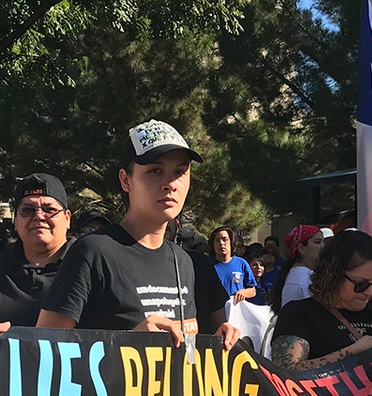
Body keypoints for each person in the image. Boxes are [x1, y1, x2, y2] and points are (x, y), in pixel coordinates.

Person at [37, 119, 239, 350]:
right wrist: (129, 344)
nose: (170, 183)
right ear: (125, 180)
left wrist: (217, 343)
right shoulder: (93, 252)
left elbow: (188, 353)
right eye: (155, 171)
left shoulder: (186, 262)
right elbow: (43, 351)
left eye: (180, 172)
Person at [271, 230, 372, 370]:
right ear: (333, 276)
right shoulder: (298, 313)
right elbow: (286, 373)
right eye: (360, 284)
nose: (369, 292)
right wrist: (352, 352)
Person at [0, 173, 74, 334]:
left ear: (67, 219)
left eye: (49, 209)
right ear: (15, 221)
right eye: (27, 210)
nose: (39, 216)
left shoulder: (88, 267)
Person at [270, 224, 324, 313]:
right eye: (317, 242)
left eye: (323, 242)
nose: (323, 246)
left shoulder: (301, 274)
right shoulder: (302, 278)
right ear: (301, 248)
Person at [210, 226, 257, 304]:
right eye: (217, 240)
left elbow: (253, 290)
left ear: (231, 242)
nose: (221, 243)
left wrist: (244, 292)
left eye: (224, 239)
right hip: (214, 311)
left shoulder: (242, 263)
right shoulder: (207, 264)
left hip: (236, 310)